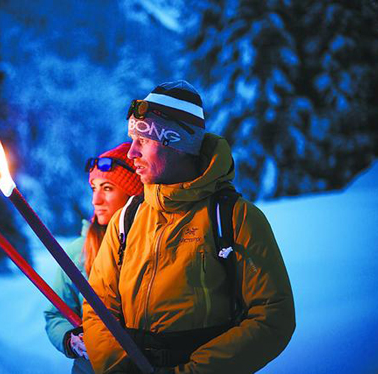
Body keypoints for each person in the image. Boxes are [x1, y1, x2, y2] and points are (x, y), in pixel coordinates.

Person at [82, 80, 296, 373]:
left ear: (176, 144)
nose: (131, 154)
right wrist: (118, 368)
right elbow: (98, 306)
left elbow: (272, 317)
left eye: (142, 141)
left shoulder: (233, 218)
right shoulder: (127, 218)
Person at [44, 142, 143, 374]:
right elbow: (55, 313)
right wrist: (70, 339)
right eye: (93, 188)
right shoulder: (78, 253)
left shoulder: (153, 246)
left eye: (107, 188)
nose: (95, 200)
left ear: (133, 194)